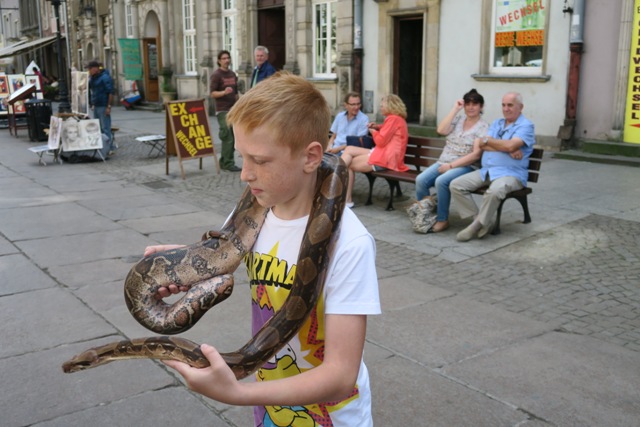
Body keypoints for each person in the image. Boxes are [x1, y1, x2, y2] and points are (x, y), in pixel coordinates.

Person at [146, 72, 381, 427]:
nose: (245, 174)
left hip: (330, 418)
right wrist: (188, 263)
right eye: (243, 157)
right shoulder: (255, 213)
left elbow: (340, 375)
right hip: (272, 403)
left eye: (260, 160)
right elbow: (238, 257)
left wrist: (236, 394)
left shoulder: (350, 245)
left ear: (311, 157)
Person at [450, 91, 535, 241]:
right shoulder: (497, 123)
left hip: (511, 174)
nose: (506, 108)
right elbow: (482, 144)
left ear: (520, 107)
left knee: (495, 190)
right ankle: (481, 221)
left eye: (510, 105)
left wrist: (493, 143)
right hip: (488, 171)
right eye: (503, 105)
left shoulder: (526, 126)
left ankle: (475, 226)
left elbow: (505, 145)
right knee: (456, 185)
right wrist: (505, 147)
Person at [414, 89, 489, 233]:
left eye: (475, 104)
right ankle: (426, 216)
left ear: (481, 107)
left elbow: (475, 155)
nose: (470, 107)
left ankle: (443, 219)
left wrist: (451, 166)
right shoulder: (458, 120)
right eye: (467, 103)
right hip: (444, 161)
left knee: (441, 181)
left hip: (466, 165)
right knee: (420, 180)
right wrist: (455, 109)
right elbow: (441, 130)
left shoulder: (484, 127)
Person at [340, 94, 409, 208]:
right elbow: (388, 130)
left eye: (382, 106)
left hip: (386, 159)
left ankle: (345, 198)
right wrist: (377, 127)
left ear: (390, 106)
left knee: (350, 165)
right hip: (384, 154)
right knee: (349, 149)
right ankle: (336, 176)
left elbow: (381, 141)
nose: (380, 108)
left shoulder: (393, 119)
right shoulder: (396, 119)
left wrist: (373, 131)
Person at [210, 50, 241, 172]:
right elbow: (212, 93)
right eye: (223, 58)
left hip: (233, 109)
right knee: (227, 136)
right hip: (222, 110)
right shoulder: (216, 75)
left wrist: (239, 103)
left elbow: (236, 92)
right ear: (219, 61)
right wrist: (223, 92)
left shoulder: (232, 74)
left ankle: (224, 161)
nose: (226, 60)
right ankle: (228, 163)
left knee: (233, 136)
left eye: (228, 58)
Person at [87, 60, 115, 153]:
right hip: (96, 105)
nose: (89, 71)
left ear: (95, 68)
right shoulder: (92, 78)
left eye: (89, 69)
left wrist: (109, 106)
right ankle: (103, 146)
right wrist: (91, 102)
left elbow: (110, 92)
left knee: (105, 127)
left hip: (103, 105)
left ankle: (109, 148)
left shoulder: (105, 77)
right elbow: (91, 91)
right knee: (98, 127)